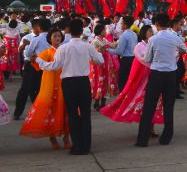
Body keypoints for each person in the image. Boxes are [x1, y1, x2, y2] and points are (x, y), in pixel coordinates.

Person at [36, 19, 104, 155]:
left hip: (69, 83)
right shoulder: (88, 46)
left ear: (68, 31)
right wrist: (98, 52)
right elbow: (100, 61)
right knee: (85, 115)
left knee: (72, 115)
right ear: (81, 30)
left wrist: (38, 60)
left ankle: (77, 146)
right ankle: (86, 145)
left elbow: (54, 66)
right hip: (84, 82)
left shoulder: (63, 48)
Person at [136, 13, 187, 147]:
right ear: (169, 24)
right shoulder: (174, 37)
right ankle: (166, 137)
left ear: (157, 25)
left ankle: (143, 139)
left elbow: (147, 59)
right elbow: (184, 49)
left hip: (157, 73)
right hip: (171, 74)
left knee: (149, 106)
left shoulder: (153, 39)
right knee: (169, 106)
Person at [101, 24, 163, 128]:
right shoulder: (139, 46)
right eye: (149, 31)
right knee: (140, 100)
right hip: (142, 79)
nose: (152, 33)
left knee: (153, 101)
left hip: (152, 77)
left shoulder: (153, 44)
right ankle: (146, 126)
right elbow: (145, 60)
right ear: (144, 33)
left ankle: (150, 127)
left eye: (152, 31)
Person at [20, 28, 71, 149]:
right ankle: (52, 137)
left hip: (65, 84)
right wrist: (34, 58)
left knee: (67, 110)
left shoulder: (65, 50)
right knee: (51, 111)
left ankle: (66, 137)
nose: (57, 38)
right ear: (50, 38)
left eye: (59, 36)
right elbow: (35, 62)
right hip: (50, 86)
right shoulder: (47, 52)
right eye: (54, 36)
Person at [110, 16, 138, 93]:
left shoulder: (124, 35)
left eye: (121, 23)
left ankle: (123, 99)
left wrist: (108, 50)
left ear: (125, 25)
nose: (121, 25)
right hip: (133, 59)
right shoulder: (134, 34)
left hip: (126, 60)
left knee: (122, 81)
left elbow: (119, 51)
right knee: (130, 80)